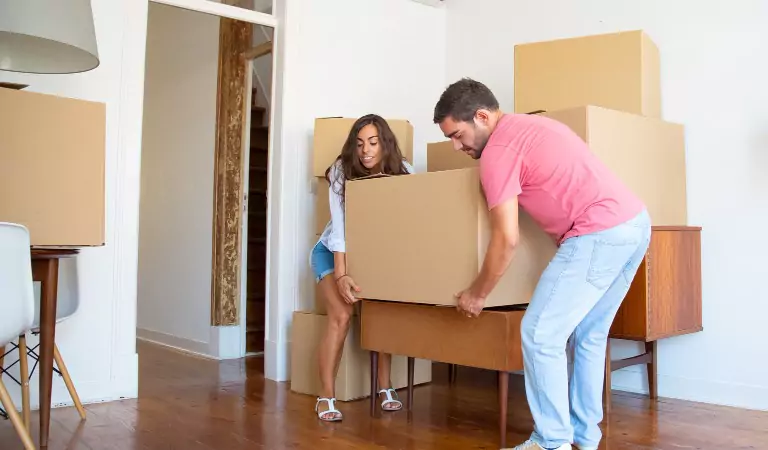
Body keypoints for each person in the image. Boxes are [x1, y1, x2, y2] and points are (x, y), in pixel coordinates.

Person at [433, 79, 651, 450]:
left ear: (482, 116)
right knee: (590, 335)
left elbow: (506, 239)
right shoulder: (532, 126)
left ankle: (552, 442)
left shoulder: (498, 152)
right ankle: (584, 436)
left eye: (458, 135)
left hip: (597, 233)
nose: (456, 147)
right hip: (634, 225)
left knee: (539, 334)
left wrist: (476, 294)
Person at [310, 114, 414, 422]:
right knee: (341, 316)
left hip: (374, 254)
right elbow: (340, 228)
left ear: (385, 144)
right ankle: (325, 397)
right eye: (359, 144)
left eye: (372, 142)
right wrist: (341, 275)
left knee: (380, 313)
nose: (365, 151)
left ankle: (384, 387)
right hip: (332, 252)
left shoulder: (403, 170)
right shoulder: (342, 170)